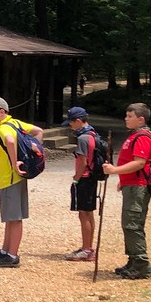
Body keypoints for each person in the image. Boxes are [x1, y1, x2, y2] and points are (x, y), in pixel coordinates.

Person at [0, 96, 43, 268]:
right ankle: (5, 250)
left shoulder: (3, 128)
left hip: (10, 178)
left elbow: (10, 141)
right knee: (10, 217)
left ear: (2, 112)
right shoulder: (15, 123)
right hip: (11, 179)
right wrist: (34, 153)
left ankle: (12, 255)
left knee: (14, 218)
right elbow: (39, 131)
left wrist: (15, 162)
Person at [100, 103, 151, 278]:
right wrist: (123, 179)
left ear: (141, 119)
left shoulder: (143, 138)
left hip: (138, 187)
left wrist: (115, 170)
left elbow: (140, 162)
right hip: (131, 185)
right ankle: (133, 260)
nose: (126, 119)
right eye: (126, 115)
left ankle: (142, 265)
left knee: (132, 224)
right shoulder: (134, 136)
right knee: (128, 224)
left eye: (130, 116)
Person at [64, 106, 99, 262]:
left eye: (71, 123)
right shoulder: (93, 134)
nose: (71, 126)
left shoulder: (83, 138)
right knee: (89, 212)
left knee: (83, 214)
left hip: (84, 178)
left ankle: (86, 250)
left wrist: (76, 179)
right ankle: (89, 247)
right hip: (92, 177)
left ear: (78, 121)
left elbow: (82, 161)